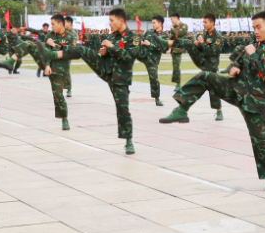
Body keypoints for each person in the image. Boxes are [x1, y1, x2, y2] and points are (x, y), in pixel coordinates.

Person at [159, 11, 265, 192]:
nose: (256, 31)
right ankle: (182, 108)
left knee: (259, 141)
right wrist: (234, 67)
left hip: (255, 101)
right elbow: (237, 62)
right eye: (254, 28)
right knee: (205, 76)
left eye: (259, 27)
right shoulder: (253, 46)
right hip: (236, 89)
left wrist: (252, 54)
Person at [37, 8, 137, 154]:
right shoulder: (112, 36)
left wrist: (111, 47)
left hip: (119, 77)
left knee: (122, 108)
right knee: (81, 49)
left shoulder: (132, 37)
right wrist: (104, 52)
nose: (109, 23)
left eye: (111, 20)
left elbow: (128, 57)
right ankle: (53, 53)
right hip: (104, 68)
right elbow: (107, 53)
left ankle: (128, 142)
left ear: (121, 21)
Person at [174, 13, 225, 120]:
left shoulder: (218, 37)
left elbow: (213, 52)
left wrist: (201, 43)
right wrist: (198, 45)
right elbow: (203, 49)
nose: (204, 24)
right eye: (203, 22)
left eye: (206, 22)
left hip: (211, 67)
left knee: (211, 90)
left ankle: (219, 111)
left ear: (212, 23)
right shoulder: (205, 35)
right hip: (203, 64)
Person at [38, 14, 74, 130]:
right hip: (53, 69)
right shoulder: (49, 36)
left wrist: (54, 45)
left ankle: (69, 88)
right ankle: (64, 118)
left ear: (60, 24)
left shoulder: (71, 37)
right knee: (58, 94)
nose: (51, 26)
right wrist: (47, 65)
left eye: (53, 24)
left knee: (63, 89)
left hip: (64, 68)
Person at [135, 15, 173, 107]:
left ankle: (157, 98)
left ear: (160, 23)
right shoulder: (148, 32)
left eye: (154, 22)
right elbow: (141, 41)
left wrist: (150, 44)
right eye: (152, 22)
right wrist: (140, 42)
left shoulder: (164, 36)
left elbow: (162, 49)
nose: (152, 24)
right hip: (142, 55)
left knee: (154, 78)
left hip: (152, 60)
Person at [167, 14, 189, 91]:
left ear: (176, 18)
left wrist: (172, 28)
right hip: (173, 49)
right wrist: (169, 48)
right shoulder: (174, 27)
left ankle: (178, 83)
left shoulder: (184, 26)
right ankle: (177, 83)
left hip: (179, 49)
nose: (171, 21)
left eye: (172, 19)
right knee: (175, 66)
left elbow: (179, 33)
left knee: (176, 66)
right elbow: (171, 37)